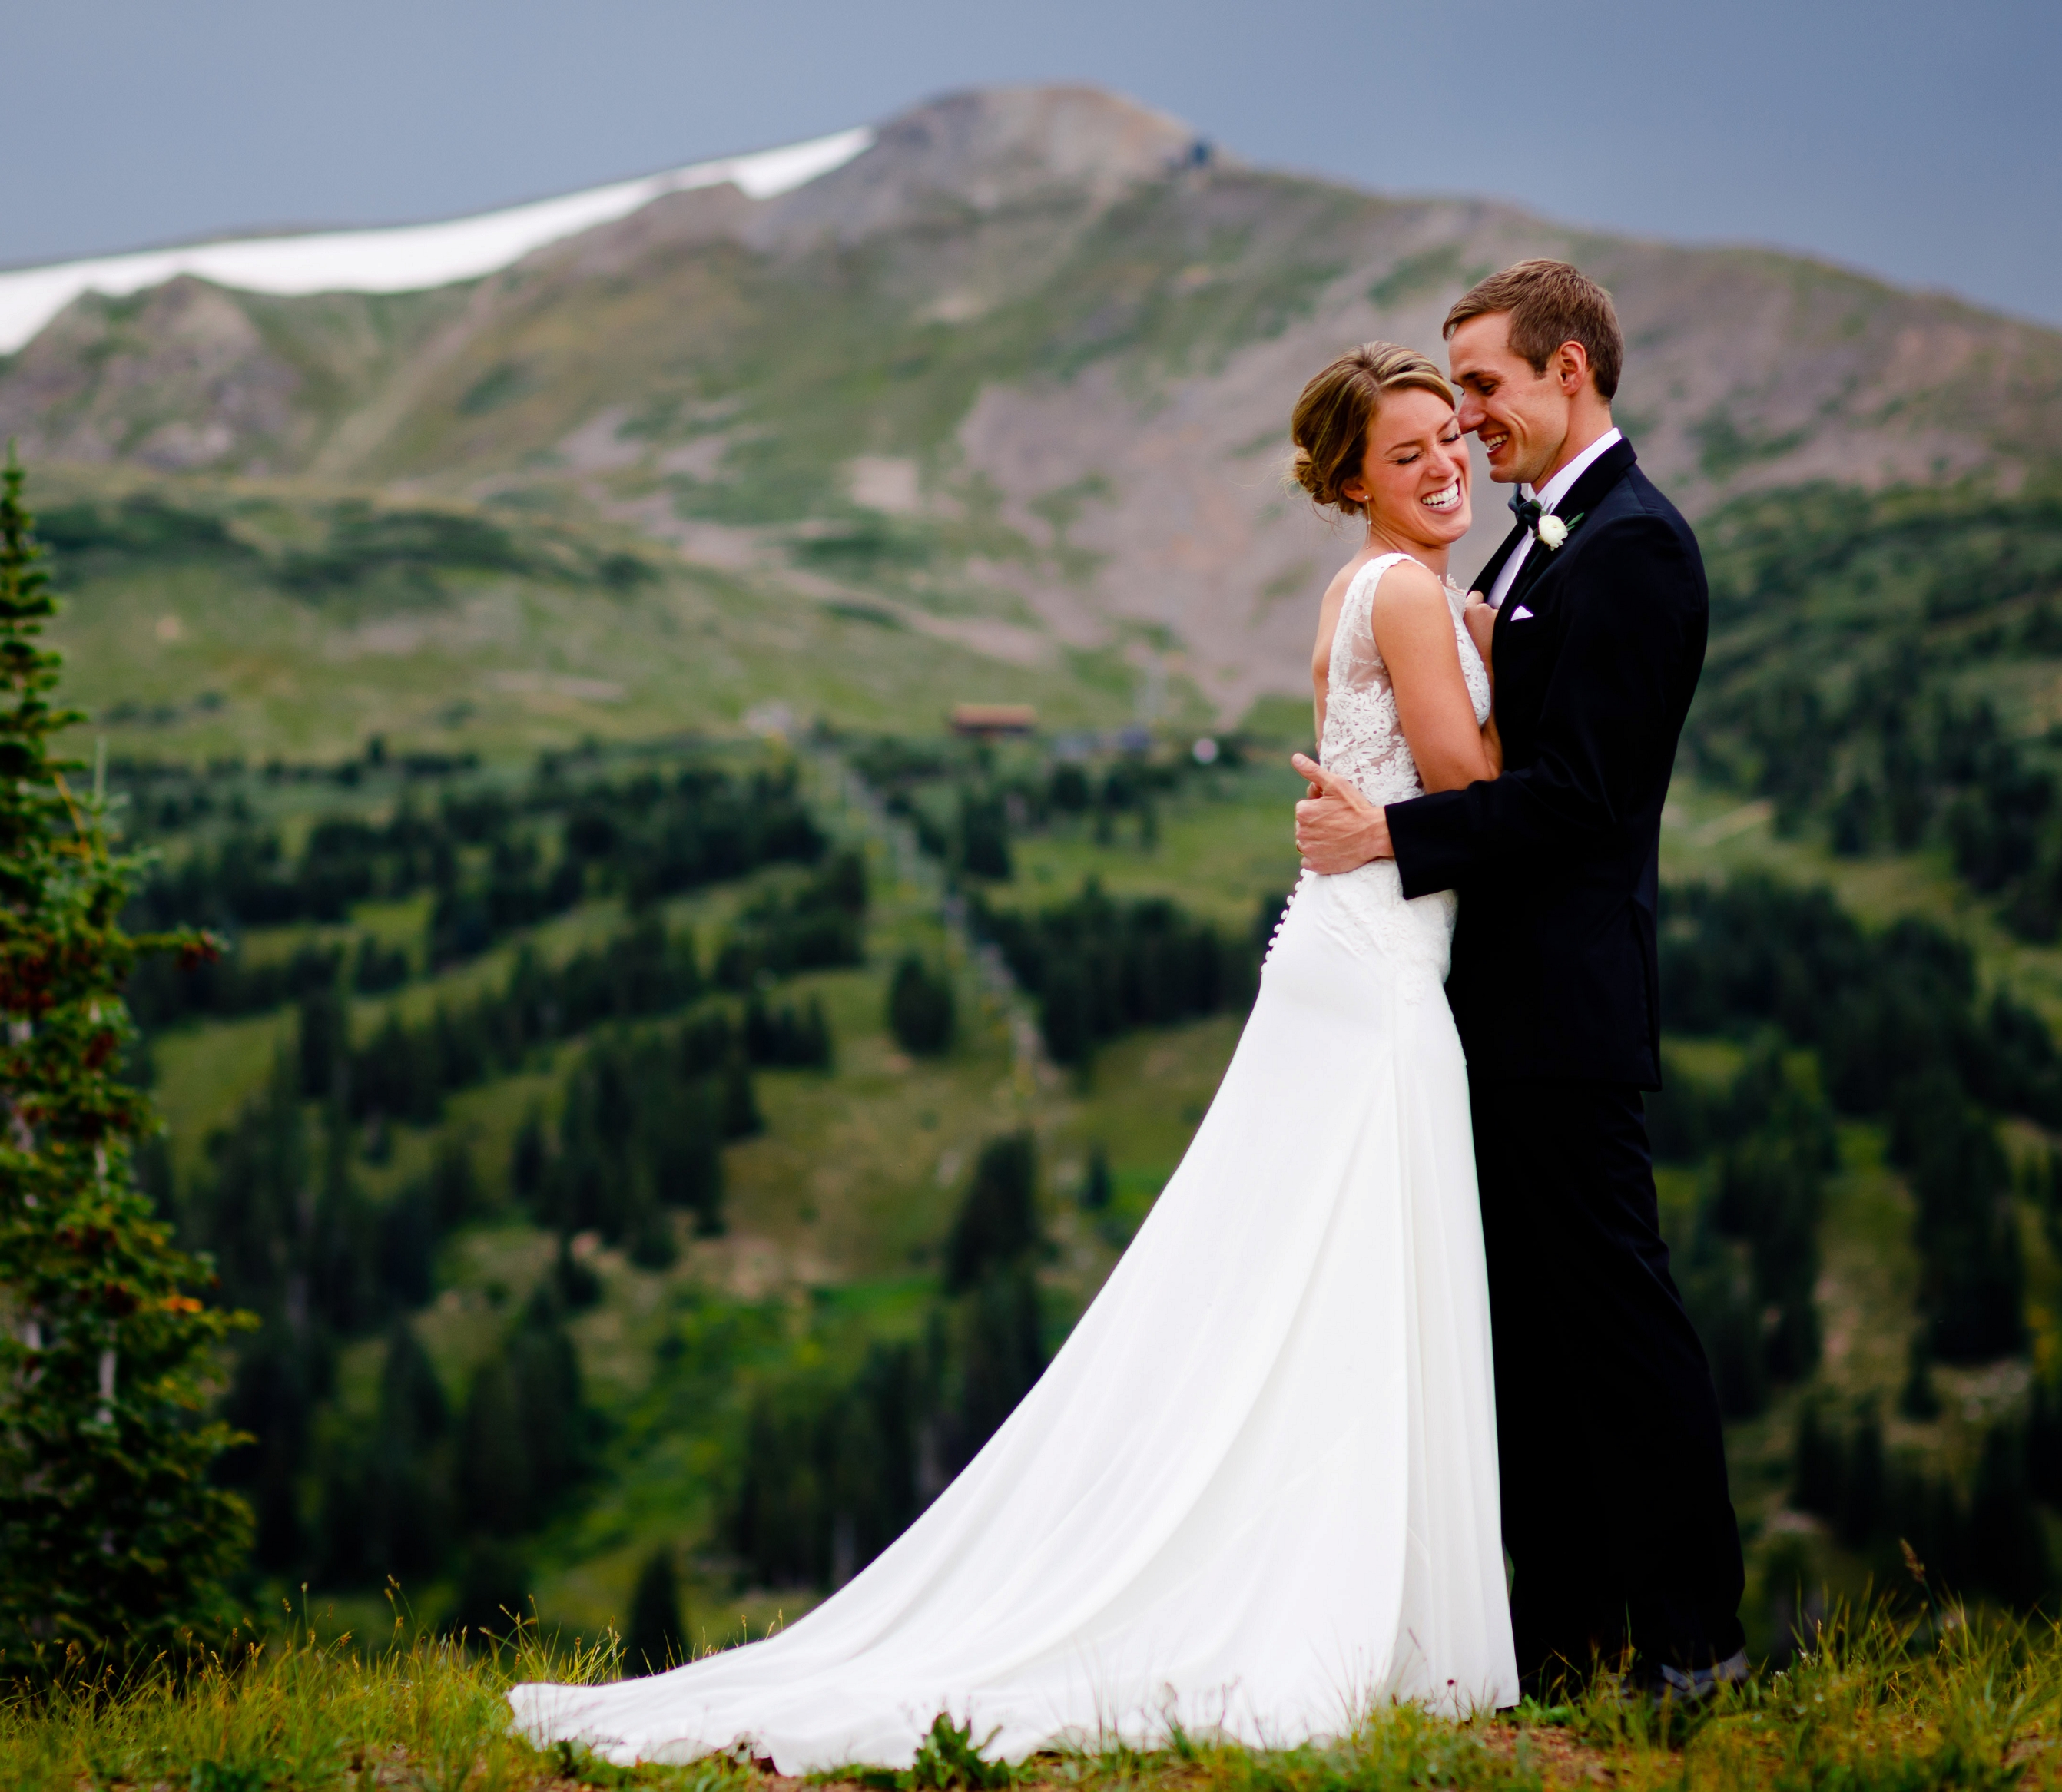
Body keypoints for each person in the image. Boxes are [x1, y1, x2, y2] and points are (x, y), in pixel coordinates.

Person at [508, 342, 1515, 1769]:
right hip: (1376, 969)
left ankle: (1327, 1584)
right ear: (1353, 476)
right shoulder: (1413, 591)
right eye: (1406, 449)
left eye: (1448, 441)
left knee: (1299, 1280)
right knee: (1348, 1278)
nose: (1441, 464)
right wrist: (1510, 666)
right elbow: (1470, 780)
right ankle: (1344, 1611)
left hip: (1345, 951)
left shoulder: (1356, 591)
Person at [1294, 260, 1747, 1698]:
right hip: (1482, 1003)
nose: (1471, 419)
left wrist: (1392, 831)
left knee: (1614, 1322)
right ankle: (1566, 1644)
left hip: (1565, 1008)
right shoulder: (1535, 547)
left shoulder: (1636, 547)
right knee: (1532, 1346)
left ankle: (1694, 1645)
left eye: (1483, 386)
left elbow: (1582, 798)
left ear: (1570, 373)